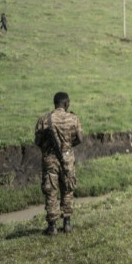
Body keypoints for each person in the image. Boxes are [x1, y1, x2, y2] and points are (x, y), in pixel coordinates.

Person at [34, 92, 83, 236]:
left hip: (50, 160)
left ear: (54, 103)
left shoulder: (44, 120)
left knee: (51, 192)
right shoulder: (74, 119)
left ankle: (52, 227)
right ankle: (67, 223)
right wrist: (67, 147)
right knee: (67, 189)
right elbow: (80, 138)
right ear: (67, 104)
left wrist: (48, 149)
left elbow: (37, 141)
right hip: (67, 160)